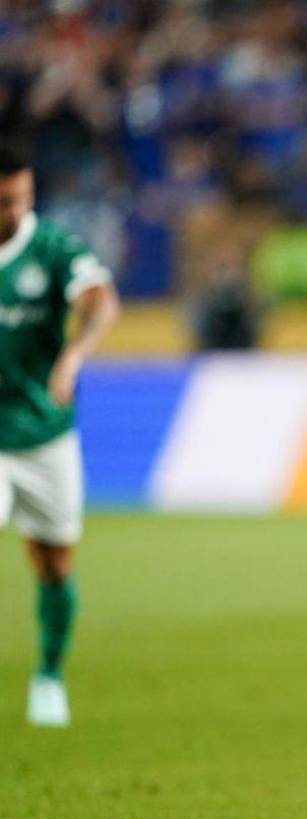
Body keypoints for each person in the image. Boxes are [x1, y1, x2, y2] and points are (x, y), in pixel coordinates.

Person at [0, 141, 119, 727]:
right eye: (3, 202)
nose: (14, 211)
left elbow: (100, 301)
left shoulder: (52, 249)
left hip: (44, 432)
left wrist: (73, 356)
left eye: (21, 199)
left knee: (53, 562)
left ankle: (48, 675)